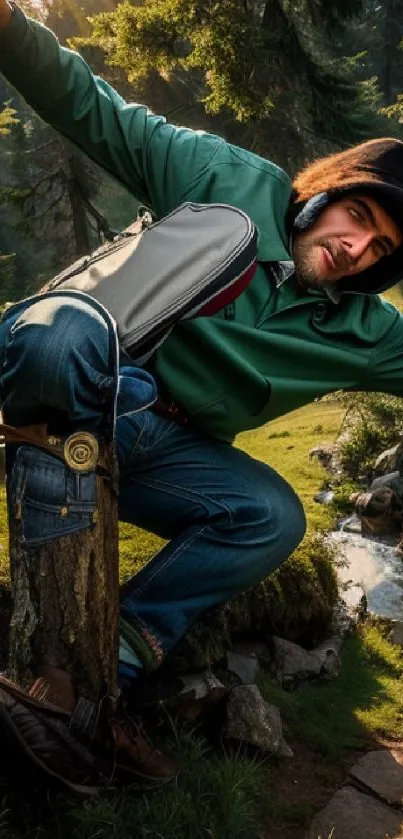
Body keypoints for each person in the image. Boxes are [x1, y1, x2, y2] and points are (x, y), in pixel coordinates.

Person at [2, 0, 403, 786]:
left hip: (161, 444)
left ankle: (94, 677)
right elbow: (91, 105)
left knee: (271, 515)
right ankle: (50, 674)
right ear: (324, 195)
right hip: (76, 358)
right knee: (65, 338)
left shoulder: (363, 328)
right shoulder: (218, 176)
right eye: (357, 214)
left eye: (381, 247)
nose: (356, 247)